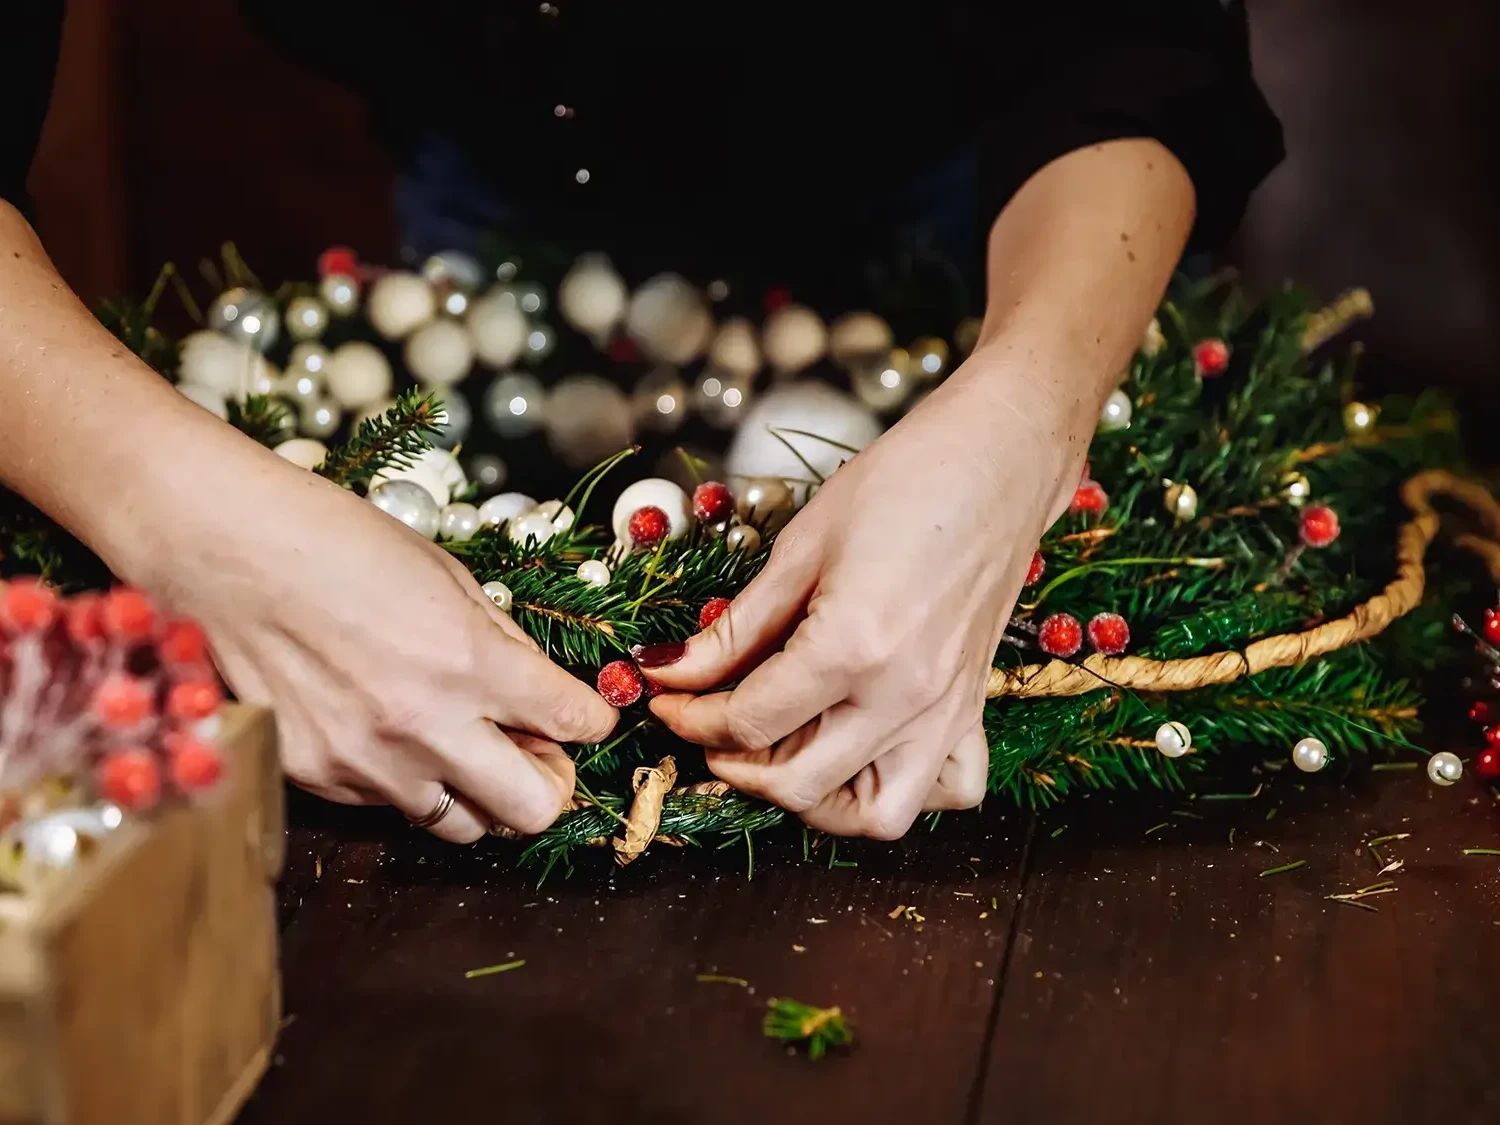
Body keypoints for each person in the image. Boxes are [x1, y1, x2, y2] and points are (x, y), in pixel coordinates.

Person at [1, 2, 1281, 841]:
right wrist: (181, 513)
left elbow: (1139, 53)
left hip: (982, 187)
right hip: (494, 189)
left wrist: (1027, 417)